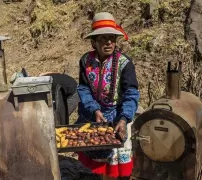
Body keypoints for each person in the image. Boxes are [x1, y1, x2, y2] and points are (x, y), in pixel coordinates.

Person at [76, 12, 140, 180]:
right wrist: (94, 109)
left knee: (116, 167)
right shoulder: (85, 61)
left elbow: (131, 93)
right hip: (93, 116)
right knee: (97, 164)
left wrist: (124, 118)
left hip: (117, 117)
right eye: (103, 38)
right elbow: (83, 88)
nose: (109, 42)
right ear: (94, 42)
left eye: (111, 38)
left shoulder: (124, 63)